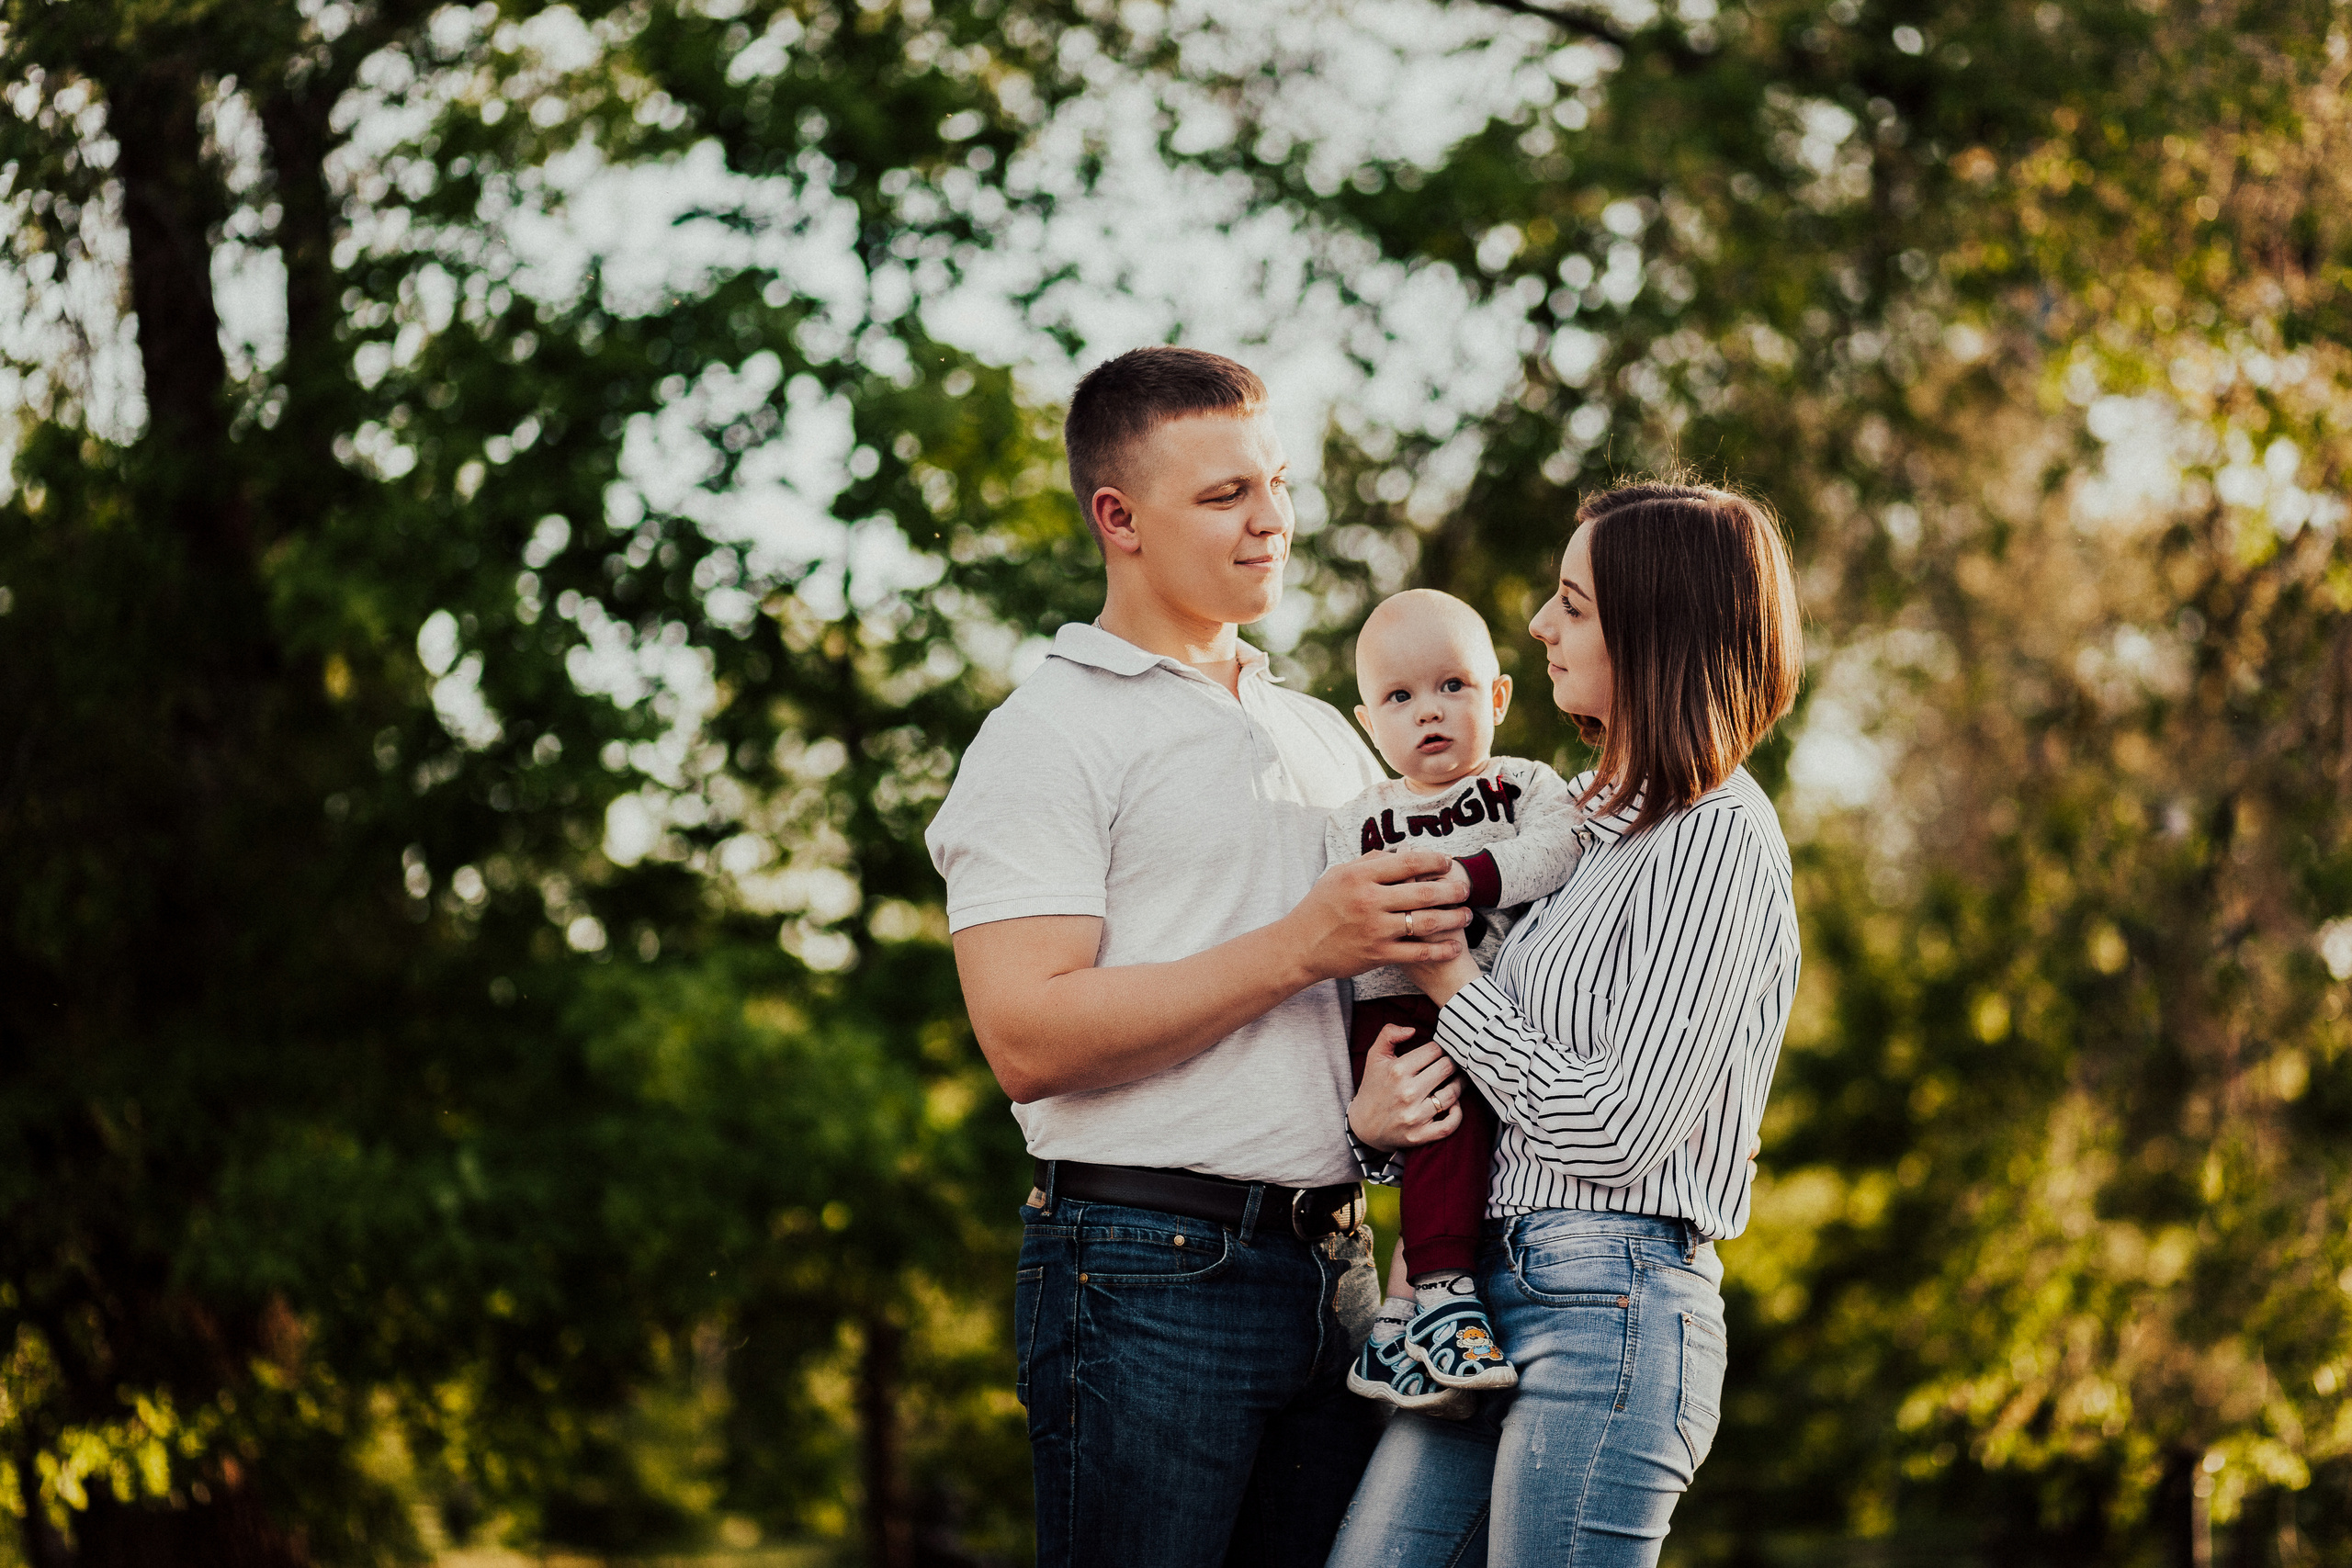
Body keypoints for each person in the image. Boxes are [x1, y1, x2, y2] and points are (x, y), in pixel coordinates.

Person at [924, 345, 1479, 1568]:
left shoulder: (1331, 734)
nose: (1272, 517)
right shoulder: (1048, 733)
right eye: (1226, 493)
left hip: (1336, 1265)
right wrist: (1296, 946)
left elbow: (1371, 999)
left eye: (1276, 482)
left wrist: (1379, 1116)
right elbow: (1025, 1037)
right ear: (1115, 517)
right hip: (1144, 1272)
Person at [1328, 479, 1805, 1568]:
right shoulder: (1572, 829)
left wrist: (1446, 974)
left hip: (1613, 1308)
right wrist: (1379, 1123)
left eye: (1572, 603)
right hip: (1473, 1306)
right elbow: (1479, 1097)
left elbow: (1616, 1129)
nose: (1539, 625)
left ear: (1655, 628)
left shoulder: (1719, 838)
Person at [1327, 590, 1586, 1416]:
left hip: (1488, 998)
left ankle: (1399, 1321)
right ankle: (1441, 1291)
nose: (1428, 713)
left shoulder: (1523, 785)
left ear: (1499, 696)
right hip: (1393, 1004)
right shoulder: (1358, 818)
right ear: (1371, 723)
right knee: (1443, 1122)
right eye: (1400, 699)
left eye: (1453, 687)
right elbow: (1332, 920)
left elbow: (1561, 847)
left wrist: (1470, 875)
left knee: (1469, 1140)